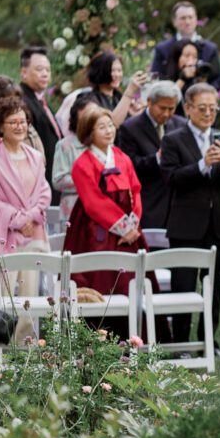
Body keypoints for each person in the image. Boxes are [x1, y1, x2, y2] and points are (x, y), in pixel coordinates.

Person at [160, 82, 220, 357]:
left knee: (213, 285)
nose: (208, 113)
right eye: (202, 108)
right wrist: (201, 165)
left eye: (213, 108)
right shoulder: (173, 139)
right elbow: (171, 179)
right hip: (185, 224)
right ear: (188, 108)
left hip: (218, 223)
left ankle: (209, 342)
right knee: (183, 284)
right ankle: (181, 344)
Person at [63, 105, 154, 327]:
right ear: (88, 132)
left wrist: (133, 225)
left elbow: (135, 190)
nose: (108, 131)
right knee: (98, 279)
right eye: (101, 127)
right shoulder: (82, 164)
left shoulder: (122, 158)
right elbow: (94, 202)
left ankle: (133, 336)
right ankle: (95, 339)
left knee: (130, 279)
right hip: (95, 232)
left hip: (128, 233)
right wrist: (123, 227)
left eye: (110, 125)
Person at [0, 97, 51, 339]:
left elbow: (44, 191)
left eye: (23, 121)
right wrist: (20, 221)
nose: (20, 126)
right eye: (13, 122)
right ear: (0, 126)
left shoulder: (35, 156)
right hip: (3, 235)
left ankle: (25, 350)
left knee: (31, 297)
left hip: (33, 235)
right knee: (2, 294)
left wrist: (31, 216)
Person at [116, 80, 186, 230]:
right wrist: (158, 158)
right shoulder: (130, 128)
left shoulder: (181, 124)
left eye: (171, 108)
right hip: (149, 203)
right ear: (149, 102)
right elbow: (129, 165)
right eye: (162, 108)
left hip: (178, 205)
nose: (166, 113)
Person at [18, 46, 62, 197]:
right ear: (24, 72)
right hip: (37, 182)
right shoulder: (22, 102)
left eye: (48, 70)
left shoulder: (39, 100)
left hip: (51, 177)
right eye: (39, 69)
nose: (45, 74)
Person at [151, 1, 220, 89]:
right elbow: (156, 78)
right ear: (174, 21)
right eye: (183, 18)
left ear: (196, 20)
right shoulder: (162, 49)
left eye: (190, 17)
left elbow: (218, 80)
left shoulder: (210, 49)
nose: (188, 22)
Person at [53, 92, 97, 222]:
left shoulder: (103, 143)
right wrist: (91, 180)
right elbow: (58, 180)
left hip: (101, 210)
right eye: (85, 117)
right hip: (74, 210)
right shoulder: (65, 145)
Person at [0, 76, 44, 157]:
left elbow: (40, 158)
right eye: (8, 102)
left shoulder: (24, 125)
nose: (14, 105)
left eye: (16, 100)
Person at [86, 52, 147, 126]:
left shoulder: (119, 97)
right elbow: (111, 125)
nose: (117, 75)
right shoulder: (88, 100)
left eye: (119, 70)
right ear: (100, 71)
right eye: (112, 70)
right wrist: (129, 93)